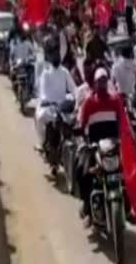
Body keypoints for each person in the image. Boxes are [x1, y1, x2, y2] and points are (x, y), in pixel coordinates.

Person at [76, 68, 128, 226]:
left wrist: (126, 137)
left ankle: (129, 207)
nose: (102, 84)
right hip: (95, 147)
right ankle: (87, 206)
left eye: (105, 80)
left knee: (129, 172)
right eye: (99, 81)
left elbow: (123, 121)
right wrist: (81, 136)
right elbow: (82, 124)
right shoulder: (89, 103)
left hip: (113, 146)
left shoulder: (115, 100)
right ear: (95, 83)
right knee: (82, 170)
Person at [35, 36, 77, 150]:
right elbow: (42, 92)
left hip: (63, 108)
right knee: (39, 117)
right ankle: (42, 142)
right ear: (49, 56)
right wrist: (46, 101)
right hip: (50, 108)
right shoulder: (46, 73)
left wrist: (76, 98)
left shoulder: (64, 71)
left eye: (57, 54)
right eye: (53, 54)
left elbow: (73, 88)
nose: (56, 56)